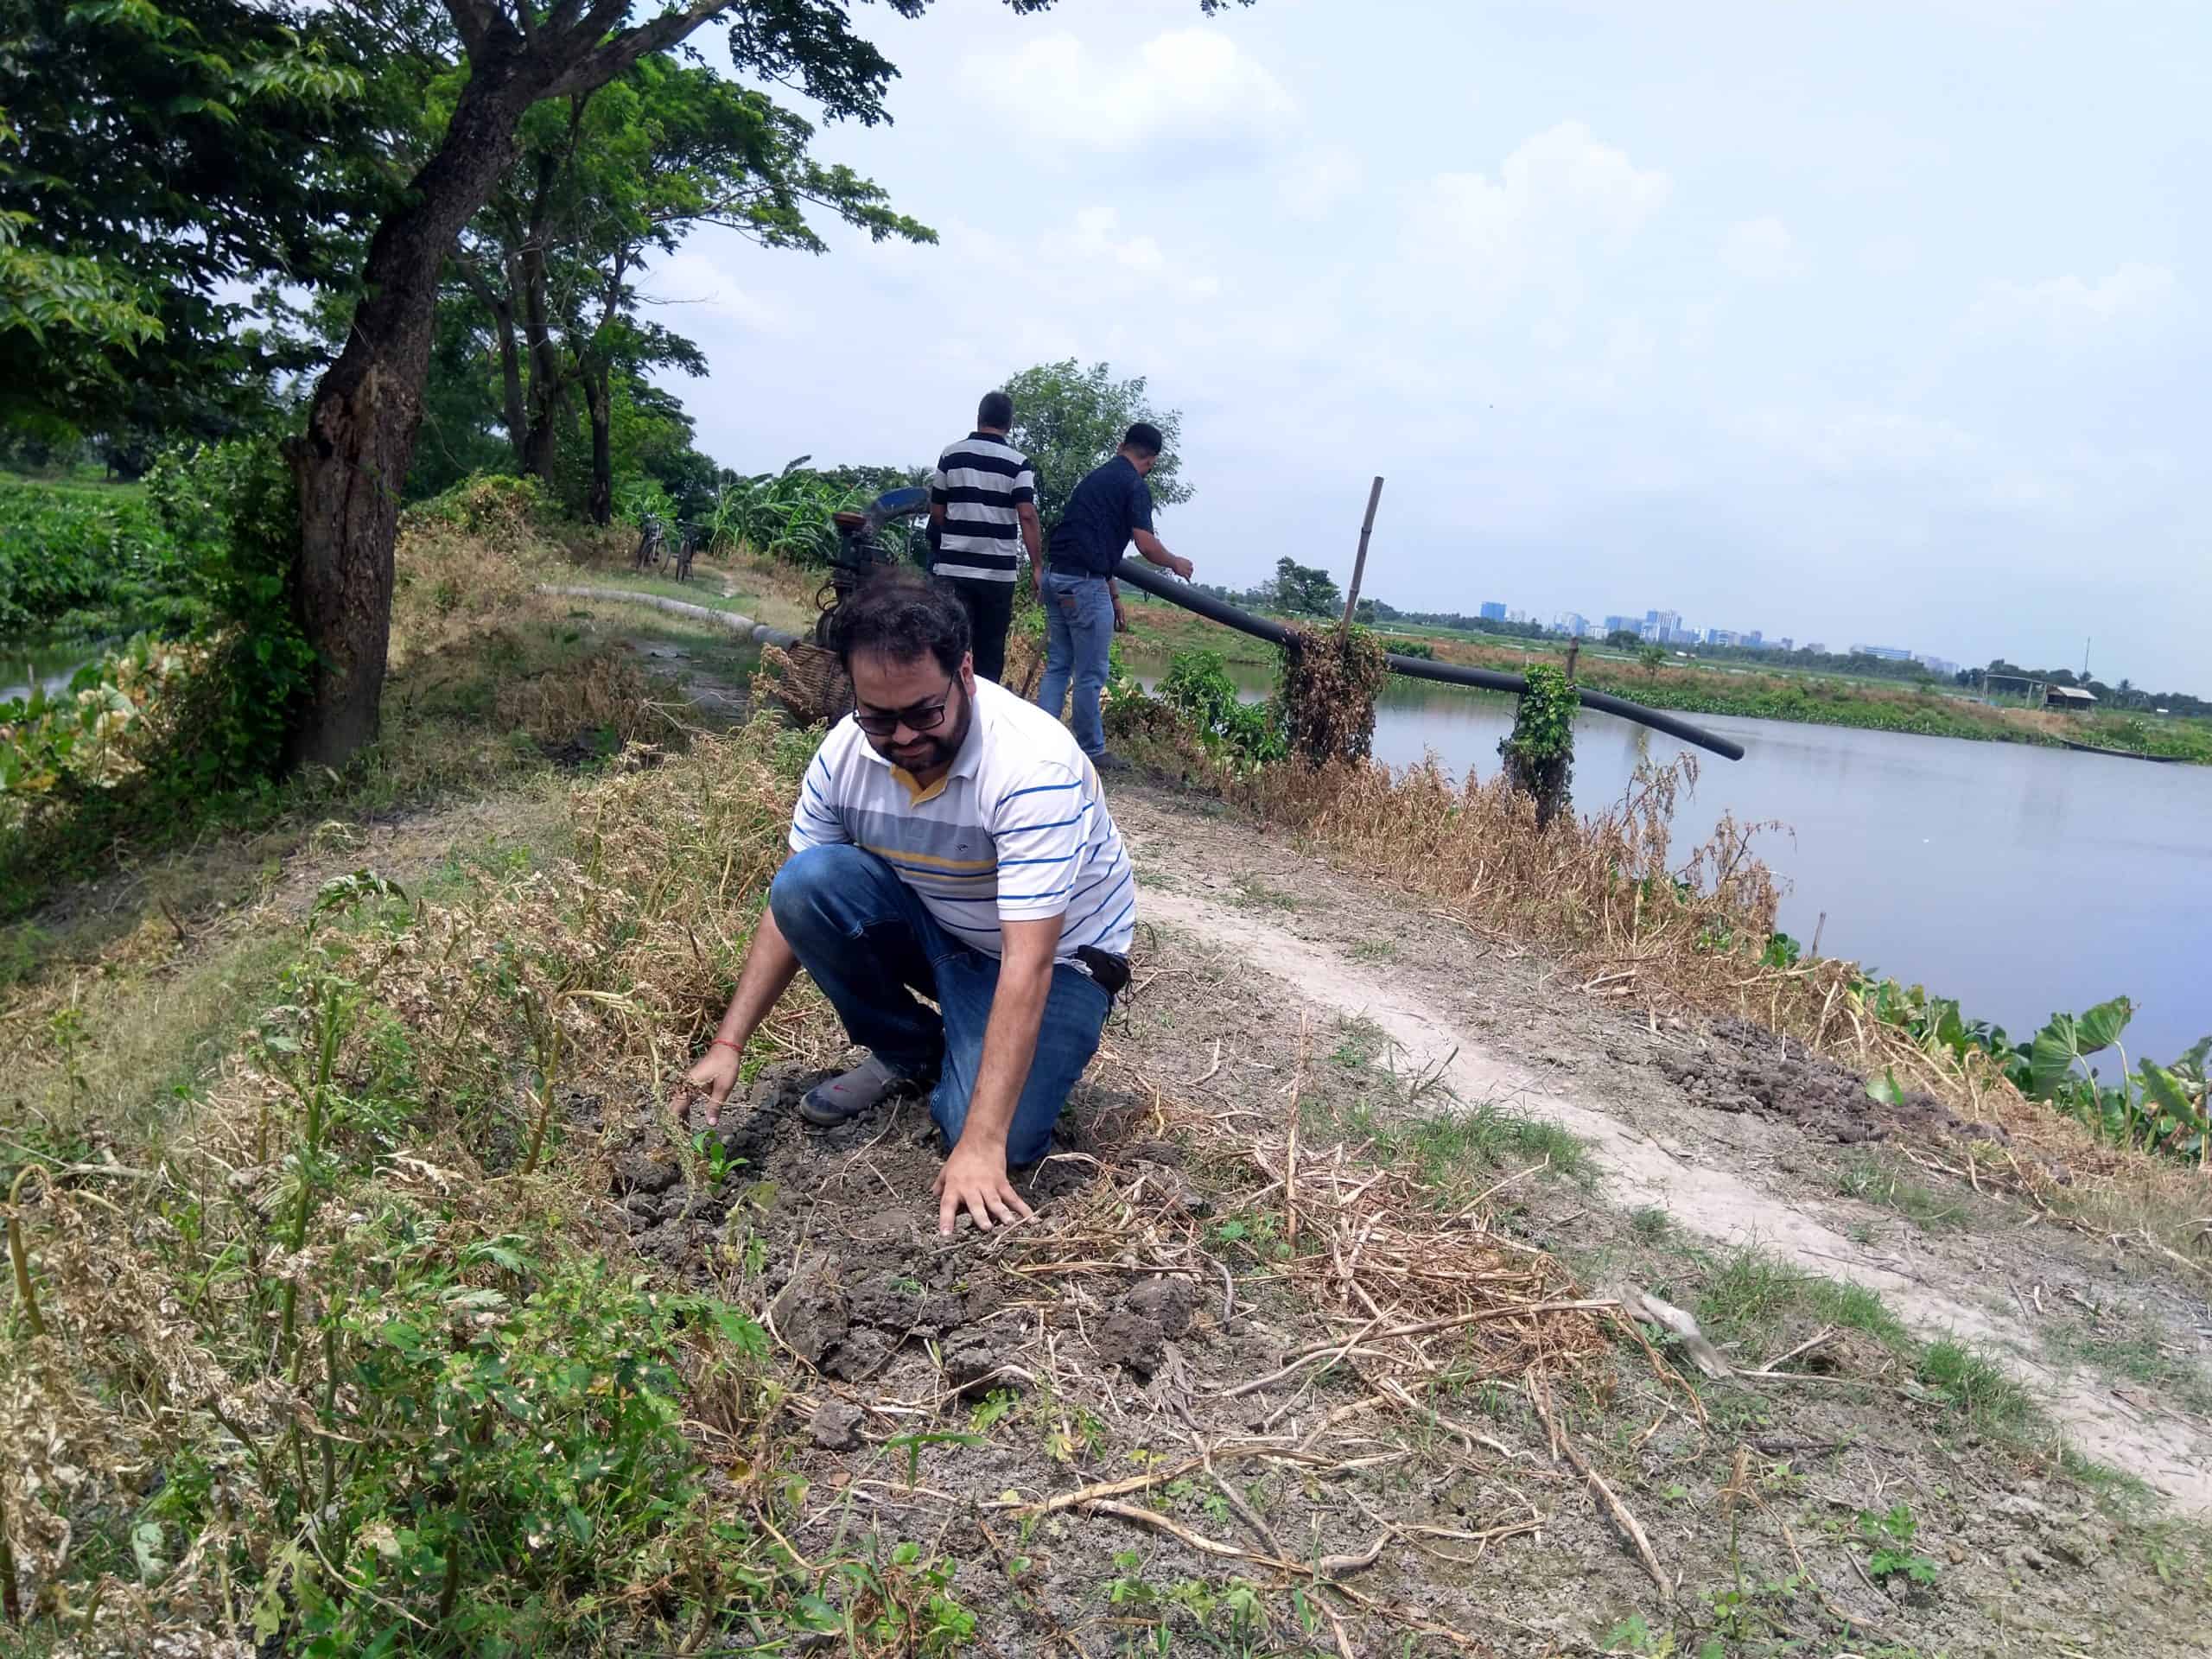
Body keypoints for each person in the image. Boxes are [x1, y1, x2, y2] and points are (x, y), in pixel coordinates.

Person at [678, 568, 1134, 1235]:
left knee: (993, 1137)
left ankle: (964, 1060)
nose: (905, 738)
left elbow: (1028, 962)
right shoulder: (843, 754)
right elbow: (790, 905)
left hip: (1057, 960)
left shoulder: (1032, 766)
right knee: (807, 882)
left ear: (966, 673)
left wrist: (979, 1143)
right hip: (944, 927)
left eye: (925, 712)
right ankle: (910, 1049)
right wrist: (729, 1041)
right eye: (879, 717)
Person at [1037, 423, 1193, 769]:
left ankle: (1039, 743)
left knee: (1060, 665)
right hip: (1083, 586)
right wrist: (1175, 563)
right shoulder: (1134, 486)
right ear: (1151, 461)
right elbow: (1145, 544)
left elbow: (1094, 544)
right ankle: (1092, 750)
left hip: (1057, 577)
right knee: (1090, 674)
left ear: (1122, 445)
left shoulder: (1095, 479)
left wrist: (1115, 597)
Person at [927, 391, 1039, 684]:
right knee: (989, 656)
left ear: (979, 418)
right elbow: (1027, 514)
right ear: (1009, 424)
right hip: (997, 576)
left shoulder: (951, 455)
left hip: (954, 570)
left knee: (949, 647)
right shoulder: (1019, 463)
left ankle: (944, 715)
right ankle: (982, 718)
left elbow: (937, 510)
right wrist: (1038, 567)